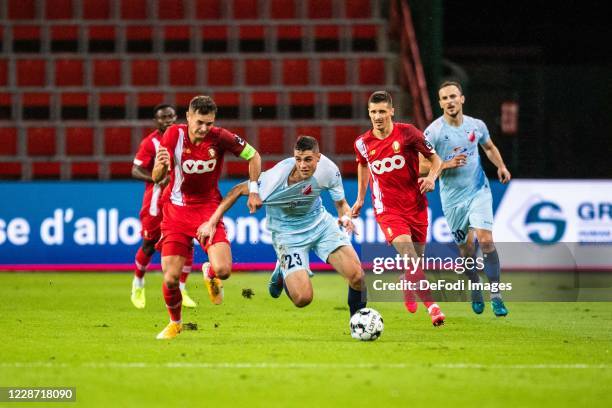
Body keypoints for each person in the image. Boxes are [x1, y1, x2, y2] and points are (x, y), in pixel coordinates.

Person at [198, 136, 367, 318]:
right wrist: (212, 222)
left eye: (308, 159)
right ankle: (282, 269)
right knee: (303, 299)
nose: (302, 165)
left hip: (320, 225)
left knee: (357, 276)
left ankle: (358, 321)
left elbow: (341, 203)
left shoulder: (329, 170)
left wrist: (346, 217)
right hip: (288, 236)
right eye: (298, 159)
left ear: (318, 157)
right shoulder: (274, 180)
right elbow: (237, 190)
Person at [152, 95, 262, 339]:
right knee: (171, 279)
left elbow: (254, 156)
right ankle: (175, 323)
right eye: (199, 122)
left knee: (223, 270)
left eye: (209, 123)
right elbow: (157, 176)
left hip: (208, 209)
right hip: (176, 210)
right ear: (188, 117)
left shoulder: (220, 137)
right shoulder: (172, 135)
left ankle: (209, 273)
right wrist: (160, 166)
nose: (204, 128)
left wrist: (253, 190)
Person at [351, 91, 446, 326]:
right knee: (410, 256)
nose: (378, 116)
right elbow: (363, 166)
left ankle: (407, 281)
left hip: (416, 205)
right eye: (373, 112)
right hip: (387, 210)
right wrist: (360, 198)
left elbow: (436, 159)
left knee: (416, 263)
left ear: (392, 111)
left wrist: (432, 178)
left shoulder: (408, 133)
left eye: (382, 111)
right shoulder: (362, 143)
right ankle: (433, 307)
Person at [424, 81, 511, 316]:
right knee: (466, 252)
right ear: (440, 103)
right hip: (452, 199)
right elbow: (420, 164)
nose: (450, 101)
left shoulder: (476, 125)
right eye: (444, 98)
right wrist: (445, 164)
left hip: (478, 191)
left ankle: (496, 296)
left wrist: (501, 166)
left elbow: (489, 147)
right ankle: (475, 286)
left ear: (461, 99)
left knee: (486, 240)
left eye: (453, 96)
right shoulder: (434, 132)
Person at [130, 104, 197, 309]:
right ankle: (138, 283)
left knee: (187, 242)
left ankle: (183, 289)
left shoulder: (185, 137)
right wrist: (155, 178)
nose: (167, 120)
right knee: (149, 244)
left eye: (170, 116)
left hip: (179, 199)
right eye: (162, 117)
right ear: (156, 121)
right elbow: (135, 170)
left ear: (177, 117)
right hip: (156, 200)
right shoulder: (150, 143)